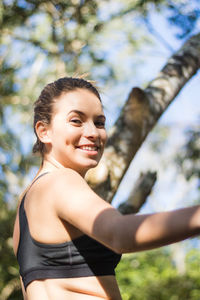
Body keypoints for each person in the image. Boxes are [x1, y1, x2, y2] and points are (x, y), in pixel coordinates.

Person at [13, 77, 200, 300]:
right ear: (44, 131)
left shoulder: (27, 202)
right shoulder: (59, 181)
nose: (93, 132)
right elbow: (120, 233)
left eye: (99, 122)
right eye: (76, 120)